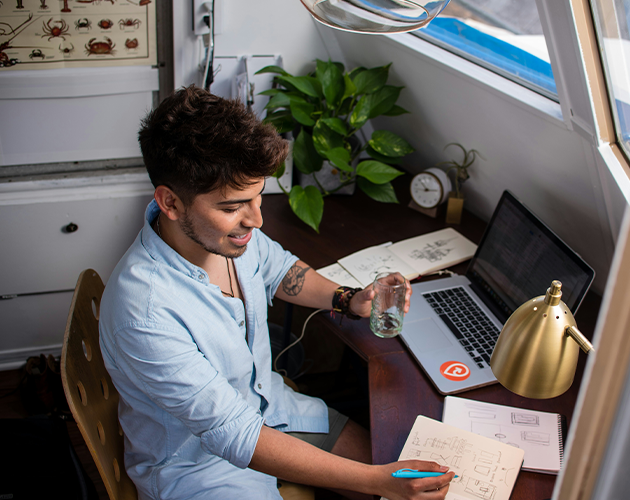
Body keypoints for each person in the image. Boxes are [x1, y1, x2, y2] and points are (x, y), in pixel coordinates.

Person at [99, 85, 454, 500]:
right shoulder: (144, 313)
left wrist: (347, 298)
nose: (257, 220)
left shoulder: (226, 237)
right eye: (233, 207)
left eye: (259, 197)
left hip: (273, 407)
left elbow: (278, 267)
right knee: (383, 482)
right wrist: (379, 483)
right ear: (171, 203)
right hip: (199, 468)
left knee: (390, 457)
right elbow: (233, 433)